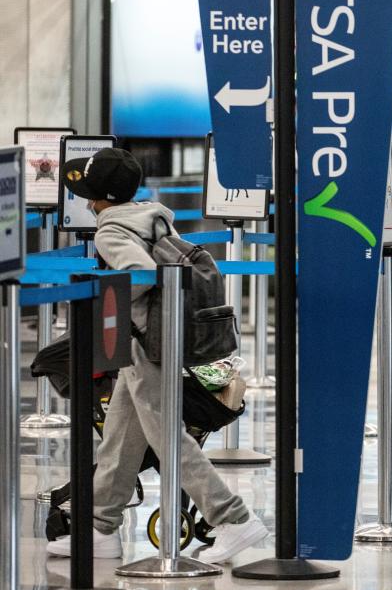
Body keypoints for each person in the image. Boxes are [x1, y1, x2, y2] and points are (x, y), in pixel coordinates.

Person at [47, 148, 267, 564]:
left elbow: (140, 274)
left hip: (142, 342)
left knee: (166, 436)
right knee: (120, 436)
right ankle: (99, 525)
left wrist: (101, 298)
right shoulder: (151, 215)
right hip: (157, 338)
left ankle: (232, 518)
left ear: (99, 199)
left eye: (88, 194)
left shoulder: (110, 231)